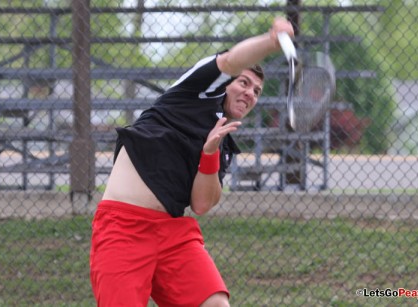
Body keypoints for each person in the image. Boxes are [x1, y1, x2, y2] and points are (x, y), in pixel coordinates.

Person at [90, 17, 294, 307]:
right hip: (124, 228)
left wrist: (209, 153)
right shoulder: (192, 92)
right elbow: (229, 61)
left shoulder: (222, 141)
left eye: (257, 91)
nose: (250, 93)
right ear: (225, 84)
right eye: (244, 83)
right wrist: (271, 42)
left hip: (173, 233)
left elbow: (201, 204)